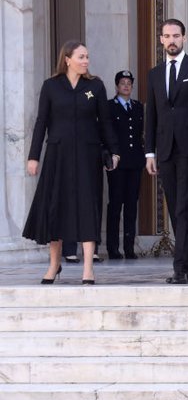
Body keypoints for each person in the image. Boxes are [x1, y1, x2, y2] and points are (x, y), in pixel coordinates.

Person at [23, 41, 120, 285]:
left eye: (87, 56)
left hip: (88, 156)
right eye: (81, 56)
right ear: (67, 59)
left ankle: (88, 268)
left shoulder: (95, 86)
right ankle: (54, 264)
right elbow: (41, 122)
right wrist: (33, 156)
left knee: (88, 206)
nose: (86, 60)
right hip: (58, 155)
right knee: (56, 207)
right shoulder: (51, 86)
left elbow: (105, 122)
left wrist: (114, 151)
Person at [145, 18, 188, 284]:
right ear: (160, 39)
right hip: (165, 151)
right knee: (176, 208)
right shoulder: (154, 74)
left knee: (184, 209)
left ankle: (180, 268)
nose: (171, 40)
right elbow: (151, 115)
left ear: (184, 38)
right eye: (166, 36)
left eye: (176, 36)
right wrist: (149, 153)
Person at [105, 70, 144, 260]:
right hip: (117, 163)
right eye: (122, 83)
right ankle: (113, 248)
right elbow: (107, 133)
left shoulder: (137, 107)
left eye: (129, 83)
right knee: (115, 205)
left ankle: (129, 248)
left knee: (131, 205)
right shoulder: (109, 107)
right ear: (117, 86)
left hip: (135, 162)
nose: (126, 86)